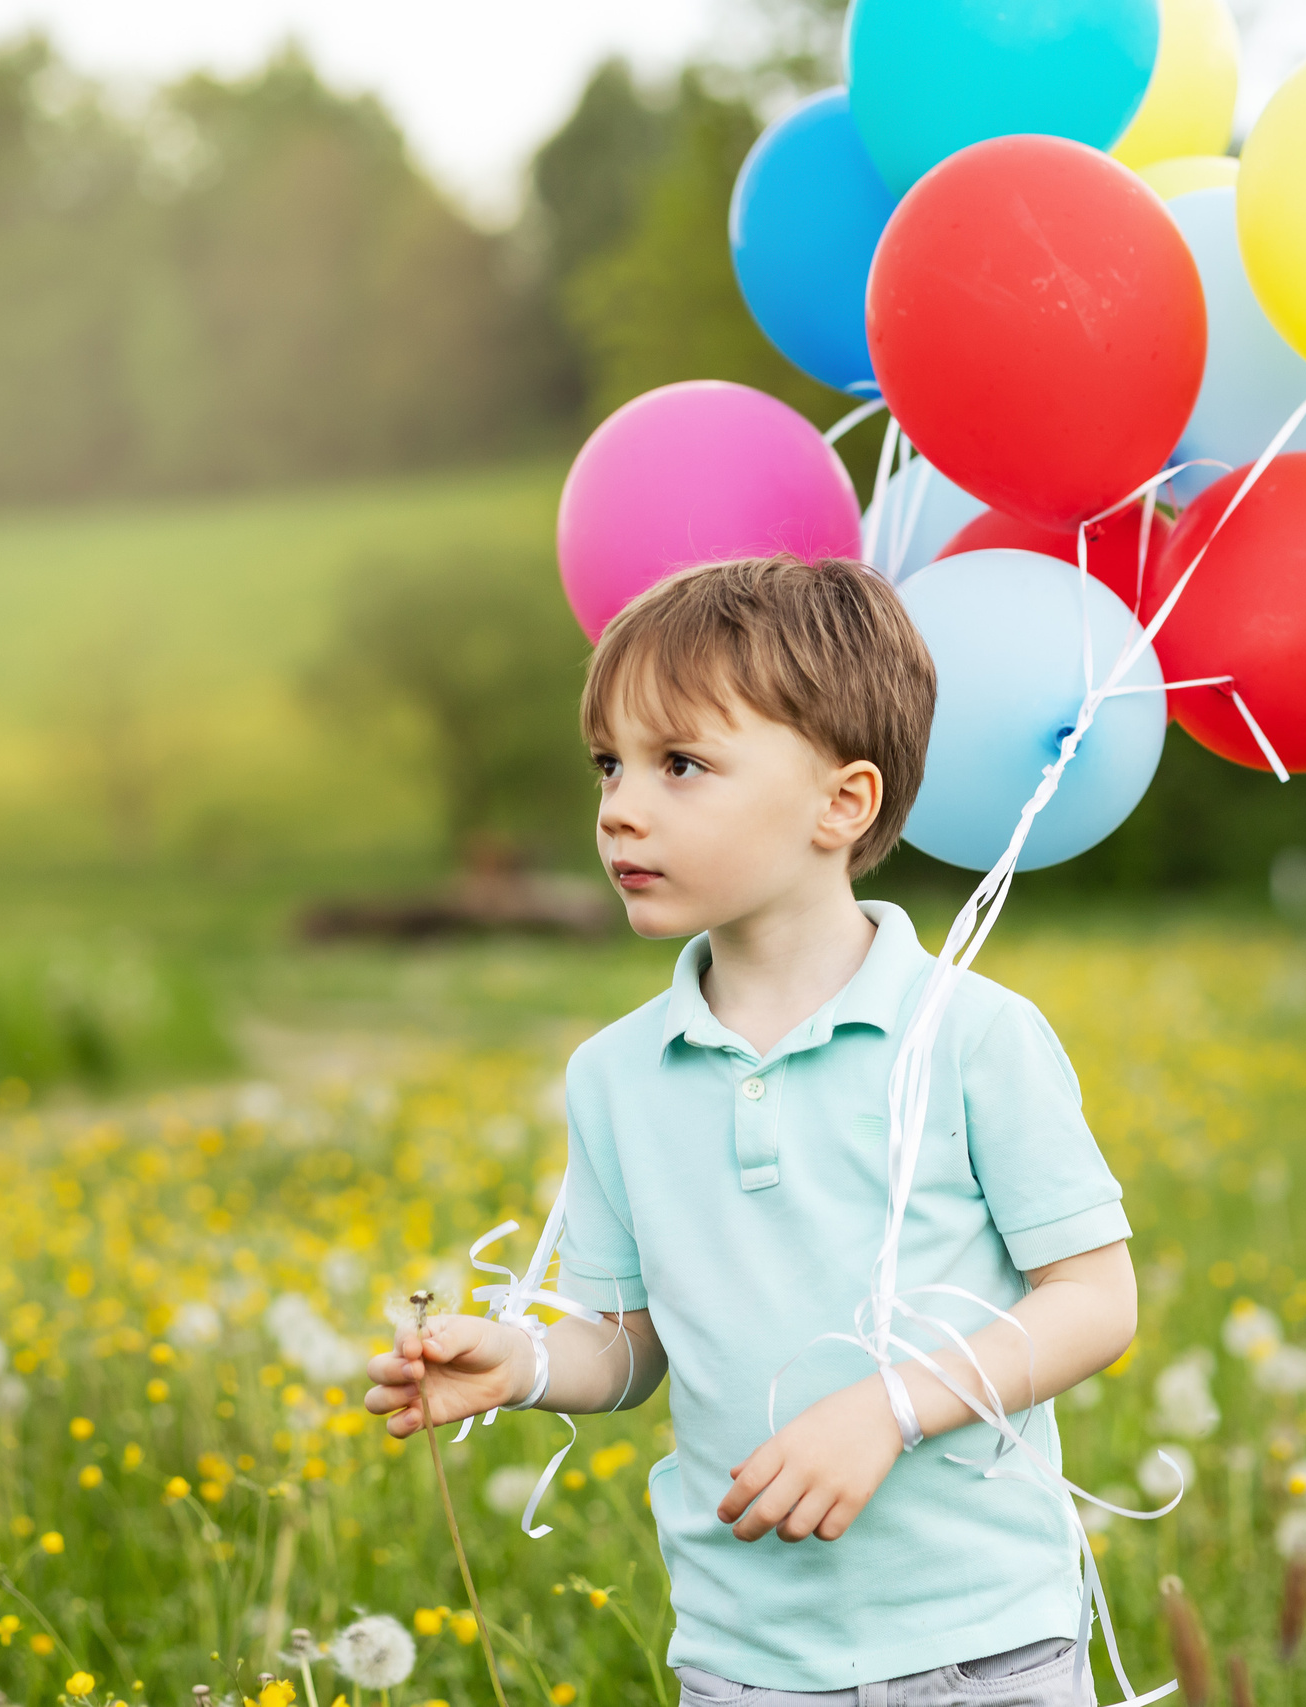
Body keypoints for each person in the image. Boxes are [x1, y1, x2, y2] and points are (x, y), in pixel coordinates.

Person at [363, 556, 1139, 1705]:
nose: (620, 805)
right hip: (745, 1663)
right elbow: (631, 1342)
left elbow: (1092, 1299)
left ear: (843, 802)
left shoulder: (971, 1036)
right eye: (609, 765)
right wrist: (524, 1359)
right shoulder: (615, 1076)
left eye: (681, 765)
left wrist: (885, 1411)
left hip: (989, 1646)